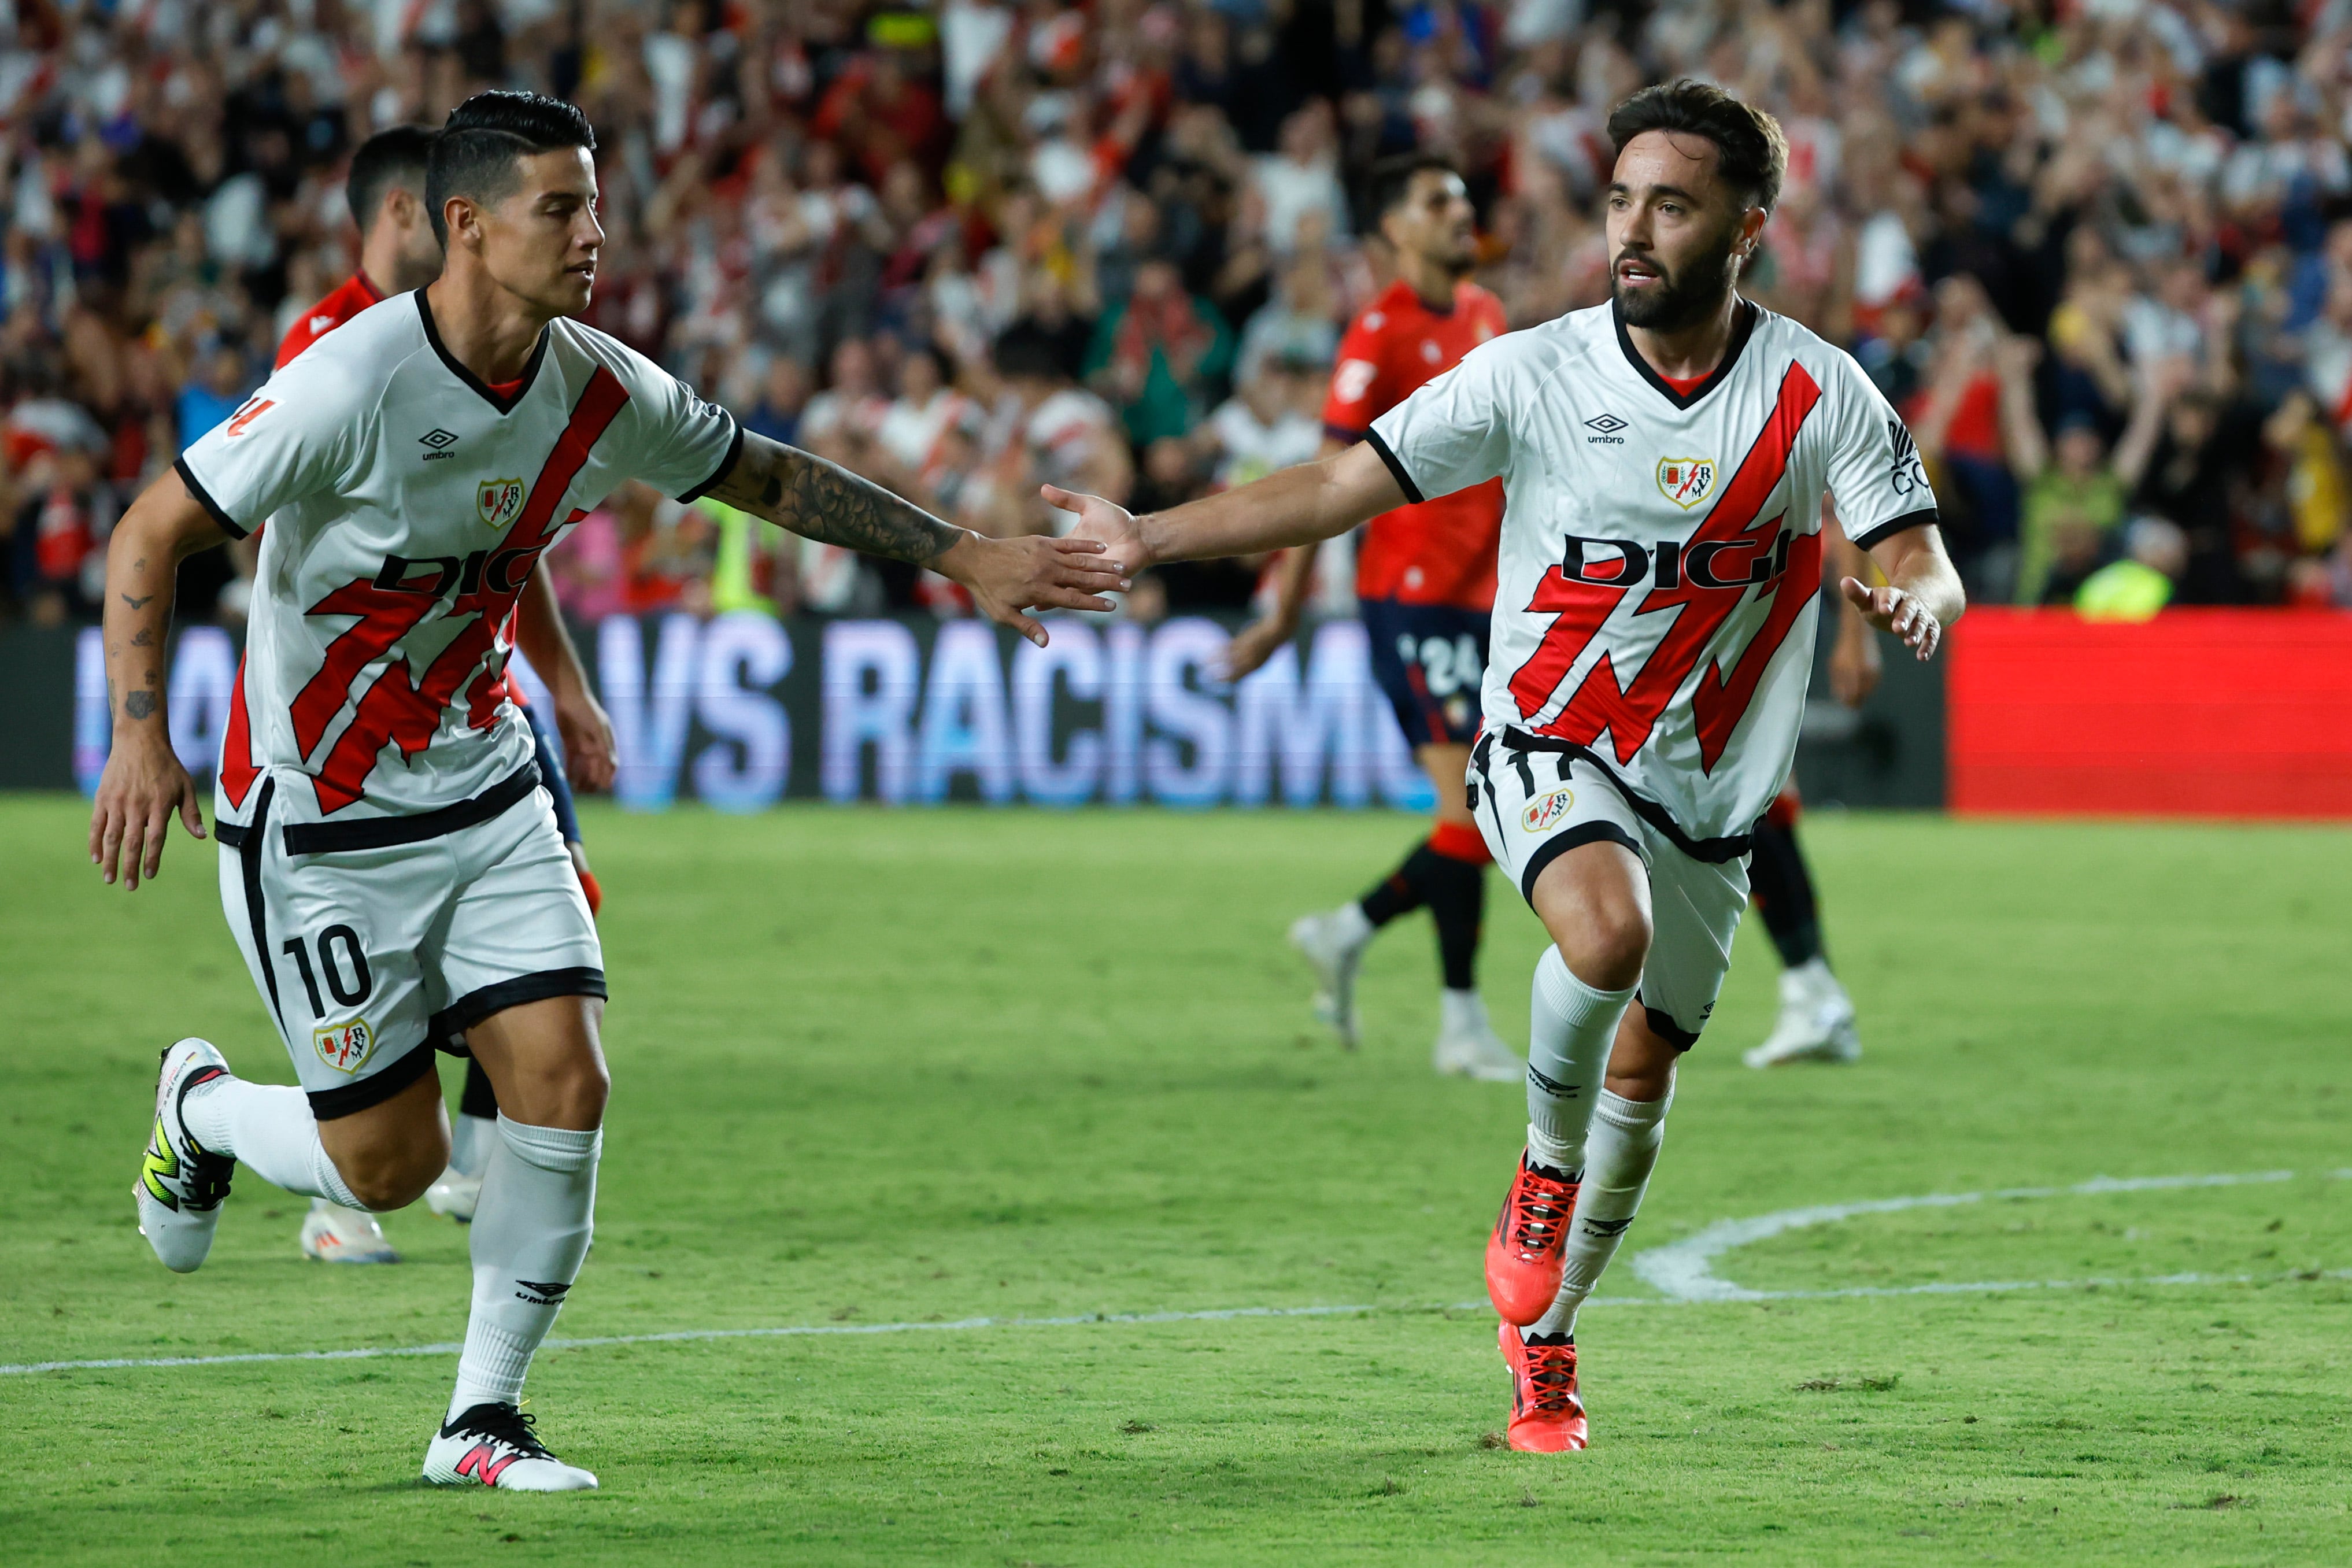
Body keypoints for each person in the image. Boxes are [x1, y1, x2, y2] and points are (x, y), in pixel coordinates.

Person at [98, 90, 1119, 1492]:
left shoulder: (596, 383)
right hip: (320, 818)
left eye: (595, 202)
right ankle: (202, 1105)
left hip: (485, 784)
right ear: (467, 225)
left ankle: (480, 1418)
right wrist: (138, 736)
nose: (595, 233)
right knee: (383, 1166)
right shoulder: (349, 381)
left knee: (565, 1078)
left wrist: (964, 555)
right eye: (560, 207)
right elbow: (151, 529)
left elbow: (760, 472)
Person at [1048, 80, 1962, 1454]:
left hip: (1713, 801)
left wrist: (1918, 603)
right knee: (1603, 935)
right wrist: (1154, 537)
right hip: (1548, 738)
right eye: (1620, 200)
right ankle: (1539, 1167)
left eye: (1672, 203)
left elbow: (1918, 553)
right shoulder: (1534, 369)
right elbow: (1342, 484)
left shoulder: (1818, 388)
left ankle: (1546, 1337)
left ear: (1748, 226)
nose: (1633, 229)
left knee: (1647, 1081)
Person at [271, 125, 611, 1264]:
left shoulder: (495, 353)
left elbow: (514, 530)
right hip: (354, 713)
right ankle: (348, 1185)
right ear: (421, 217)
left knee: (567, 916)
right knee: (388, 964)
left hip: (476, 693)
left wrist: (563, 681)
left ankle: (471, 1164)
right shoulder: (335, 350)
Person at [1225, 153, 1519, 1082]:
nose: (1459, 214)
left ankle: (1349, 933)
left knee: (1484, 813)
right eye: (1438, 201)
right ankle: (1458, 1023)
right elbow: (1323, 484)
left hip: (1487, 598)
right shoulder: (1378, 335)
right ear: (1394, 229)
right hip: (1412, 595)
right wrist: (1284, 608)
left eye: (1464, 198)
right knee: (1472, 811)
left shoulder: (1485, 314)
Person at [1740, 511, 1878, 1070]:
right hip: (1723, 602)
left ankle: (1812, 993)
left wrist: (1855, 633)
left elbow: (1842, 512)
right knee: (1761, 806)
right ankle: (1815, 994)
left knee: (1746, 807)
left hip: (1741, 608)